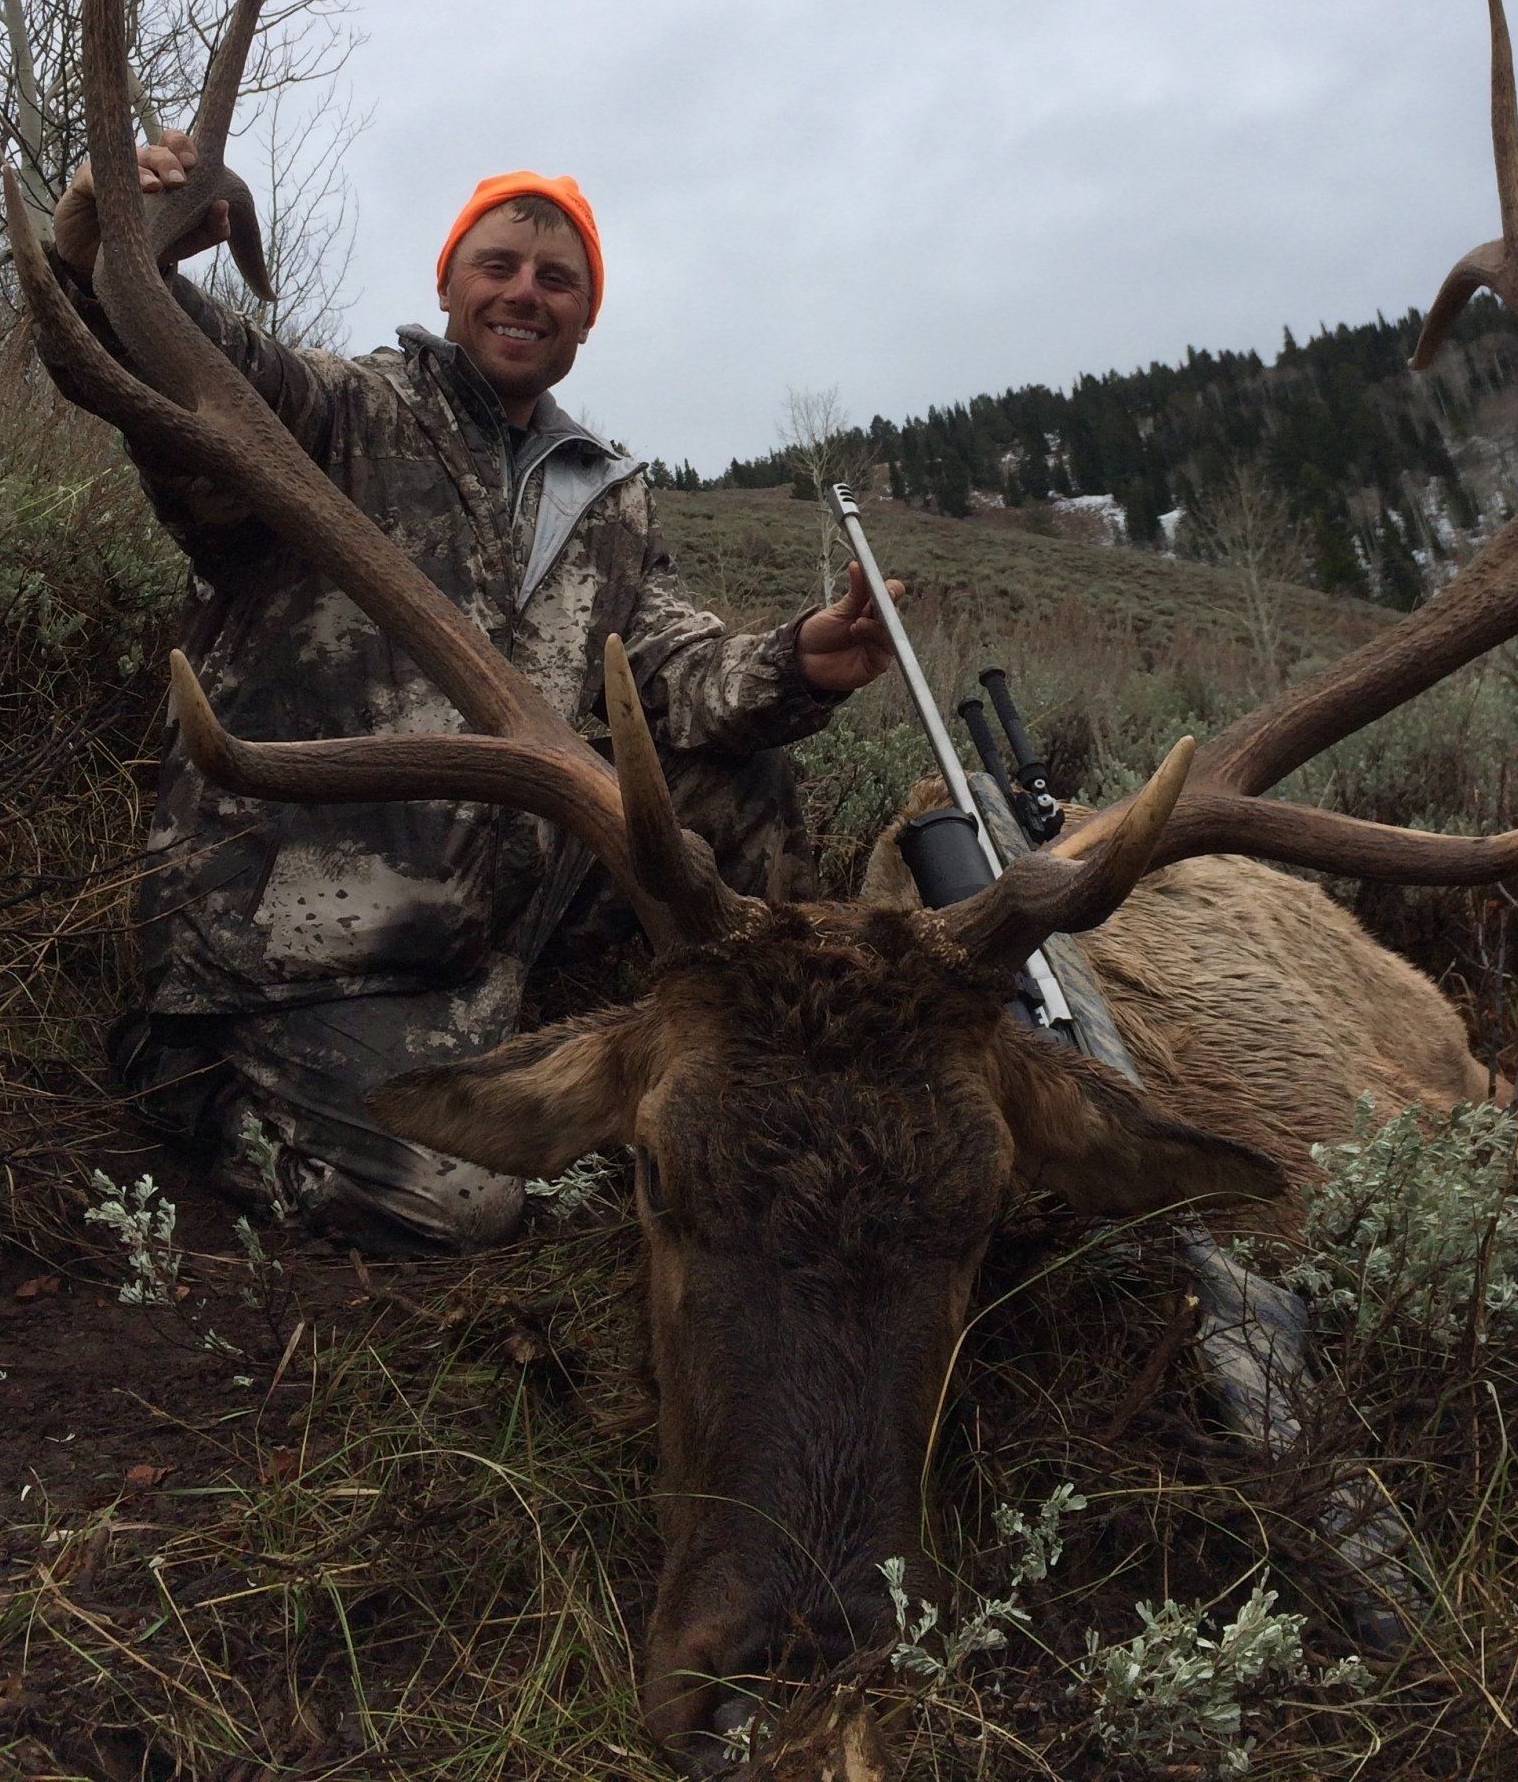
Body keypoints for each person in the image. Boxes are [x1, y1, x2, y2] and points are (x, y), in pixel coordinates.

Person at [47, 136, 900, 1254]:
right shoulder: (339, 414)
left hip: (488, 915)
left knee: (741, 781)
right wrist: (104, 261)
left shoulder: (607, 497)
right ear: (446, 284)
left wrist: (800, 660)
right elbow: (187, 366)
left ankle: (766, 1081)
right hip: (295, 944)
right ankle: (189, 1079)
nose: (525, 293)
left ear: (587, 318)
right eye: (498, 265)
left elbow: (677, 672)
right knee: (460, 1204)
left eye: (558, 279)